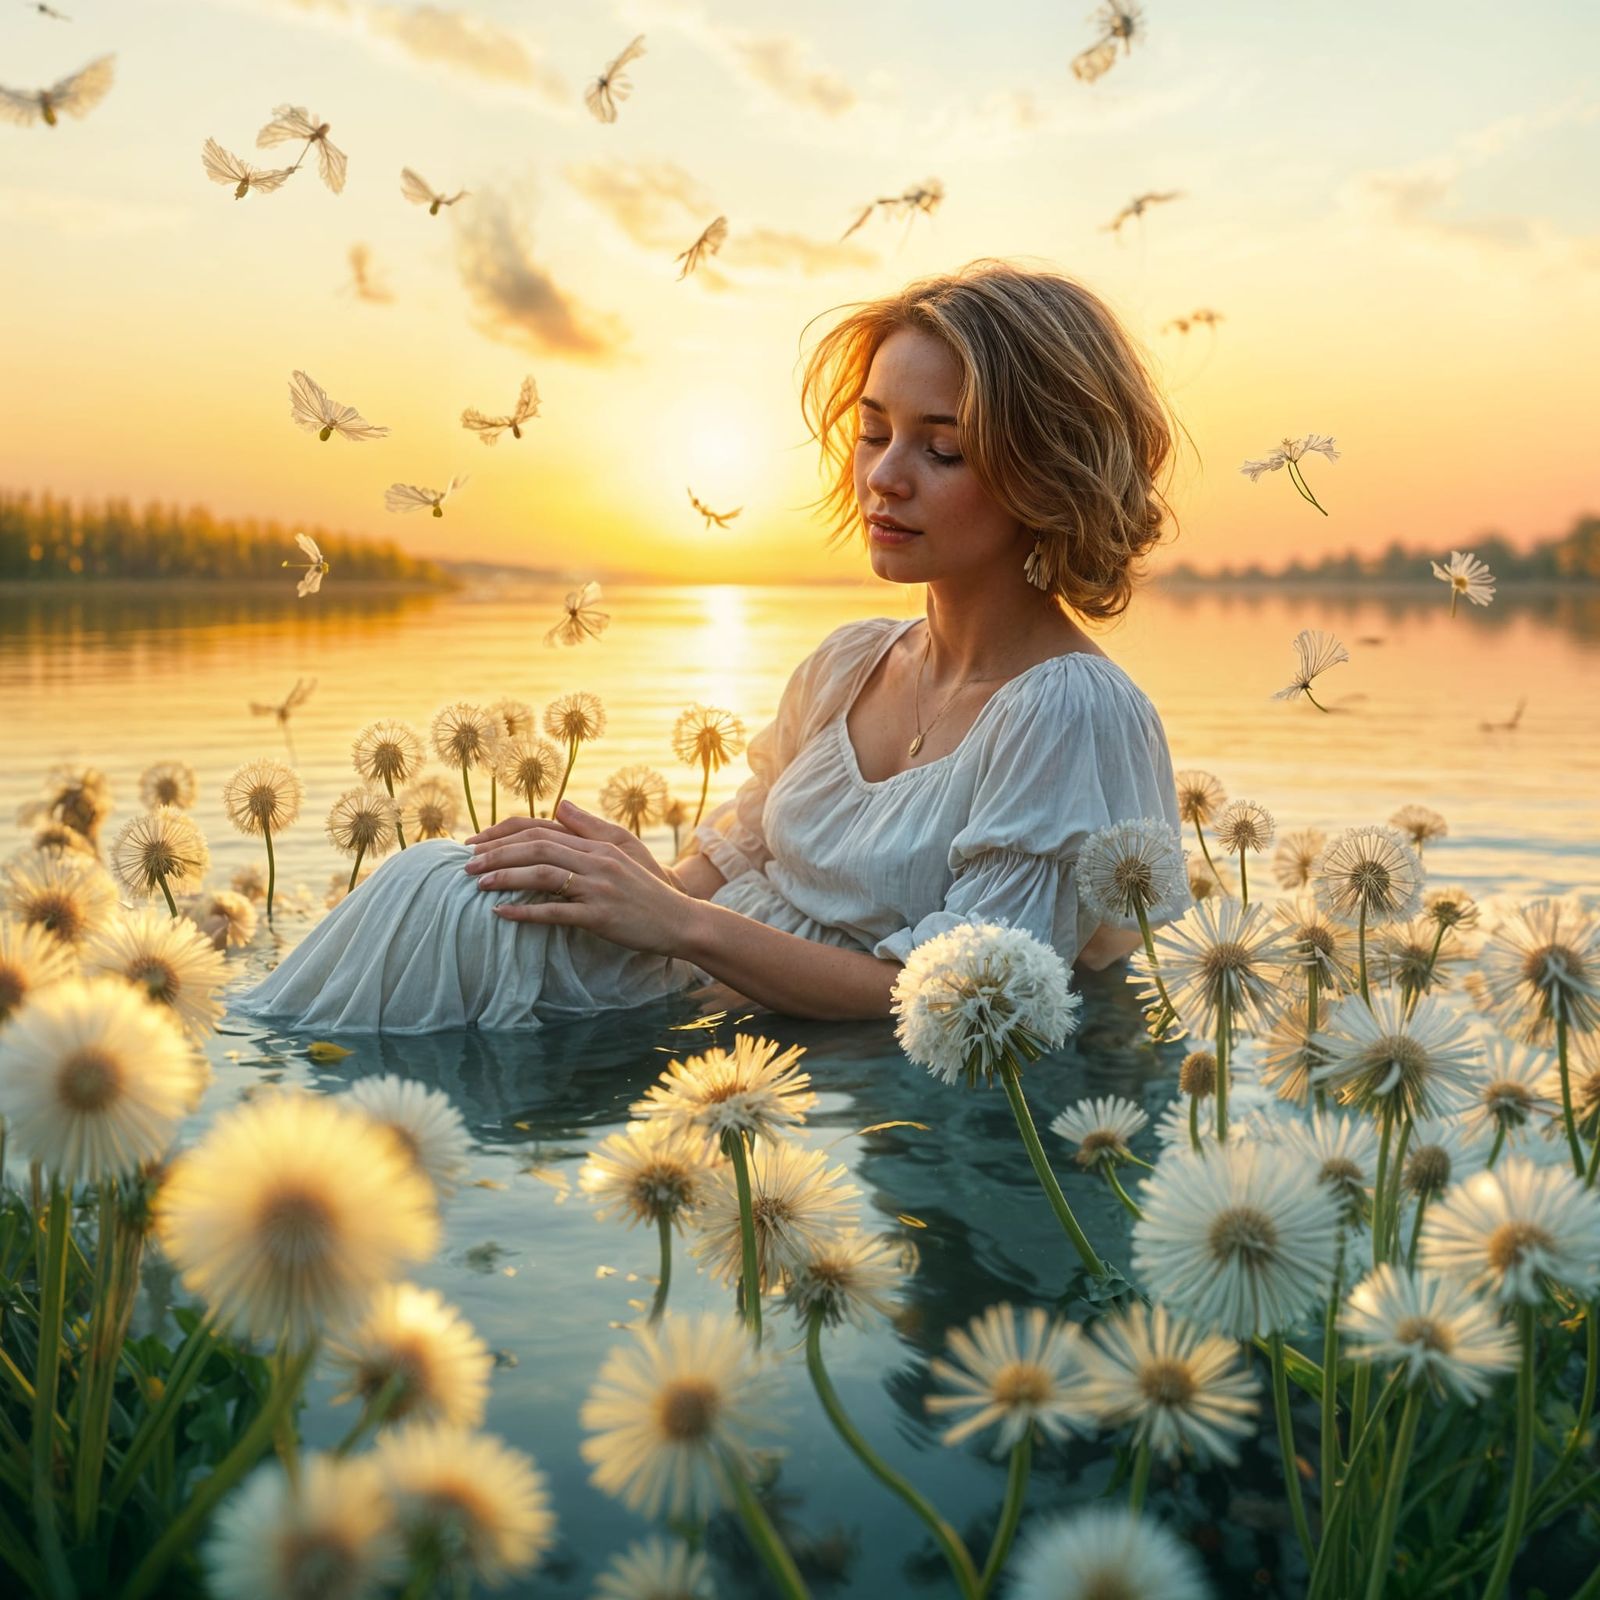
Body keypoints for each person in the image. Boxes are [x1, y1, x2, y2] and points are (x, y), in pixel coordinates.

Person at [234, 259, 1191, 1034]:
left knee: (430, 911)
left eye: (943, 449)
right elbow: (719, 881)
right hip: (692, 1006)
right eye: (871, 433)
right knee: (441, 883)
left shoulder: (1068, 709)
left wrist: (680, 924)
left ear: (1049, 472)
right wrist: (630, 880)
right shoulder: (848, 664)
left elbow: (965, 1002)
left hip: (787, 1064)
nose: (885, 478)